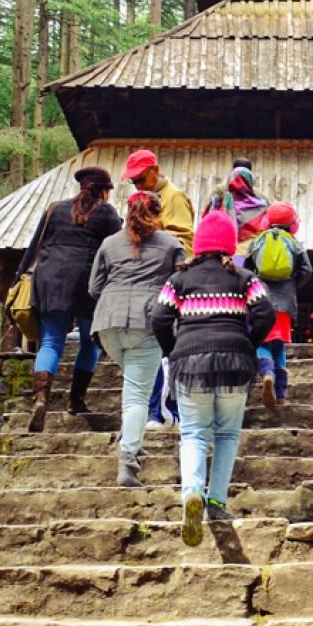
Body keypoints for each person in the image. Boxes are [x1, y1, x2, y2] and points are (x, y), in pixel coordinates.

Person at [152, 210, 275, 543]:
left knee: (193, 433)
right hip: (235, 363)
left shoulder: (178, 280)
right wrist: (248, 343)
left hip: (190, 364)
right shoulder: (244, 277)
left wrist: (173, 349)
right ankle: (217, 500)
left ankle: (192, 492)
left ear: (199, 243)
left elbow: (160, 318)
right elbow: (266, 313)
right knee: (227, 434)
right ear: (229, 245)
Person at [89, 191, 186, 487]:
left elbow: (94, 287)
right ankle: (128, 462)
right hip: (147, 323)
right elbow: (183, 283)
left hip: (107, 323)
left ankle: (132, 437)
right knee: (136, 397)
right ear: (158, 213)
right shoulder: (171, 245)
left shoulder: (109, 244)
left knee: (133, 386)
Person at [18, 166, 123, 432]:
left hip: (50, 280)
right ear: (102, 191)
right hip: (88, 284)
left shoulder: (55, 209)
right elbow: (115, 251)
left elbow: (34, 245)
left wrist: (19, 276)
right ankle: (76, 400)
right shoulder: (107, 214)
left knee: (51, 341)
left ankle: (40, 399)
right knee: (90, 342)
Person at [120, 148, 196, 429]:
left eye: (140, 179)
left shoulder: (174, 197)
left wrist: (154, 230)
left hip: (168, 282)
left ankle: (167, 410)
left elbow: (186, 241)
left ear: (155, 170)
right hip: (148, 282)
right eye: (134, 182)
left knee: (165, 347)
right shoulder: (144, 198)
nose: (138, 185)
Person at [244, 201, 313, 408]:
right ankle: (281, 392)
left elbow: (247, 270)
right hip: (285, 304)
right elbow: (307, 270)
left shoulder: (257, 242)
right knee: (279, 345)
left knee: (263, 342)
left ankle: (267, 374)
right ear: (292, 224)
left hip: (260, 302)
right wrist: (292, 284)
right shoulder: (293, 243)